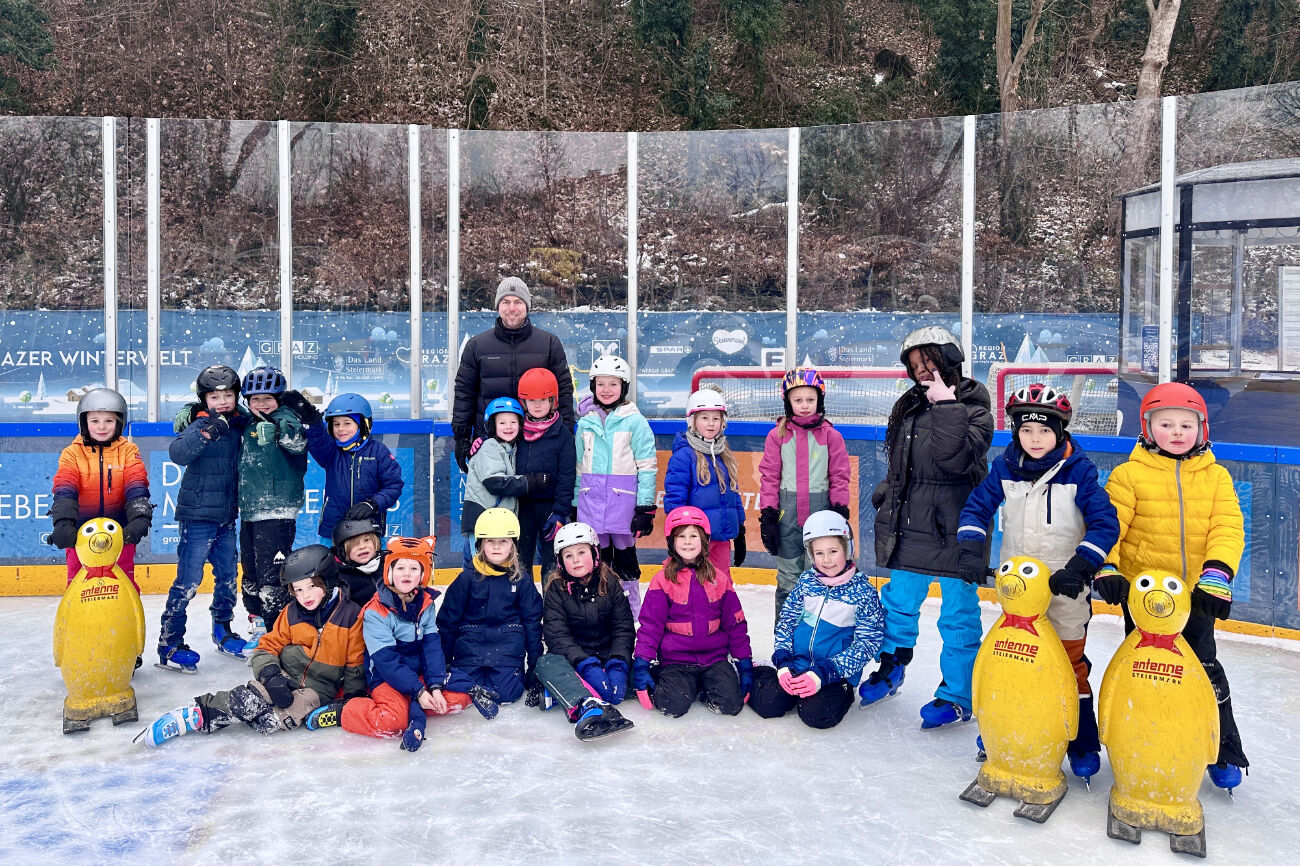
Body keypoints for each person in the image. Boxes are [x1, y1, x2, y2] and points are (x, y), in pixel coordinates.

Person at [956, 383, 1119, 779]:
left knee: (1069, 665)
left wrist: (1081, 567)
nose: (1035, 439)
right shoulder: (1004, 468)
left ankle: (1080, 740)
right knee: (1016, 660)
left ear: (1060, 432)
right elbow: (977, 508)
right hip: (1017, 590)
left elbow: (1104, 523)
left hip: (1066, 589)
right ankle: (1002, 729)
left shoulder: (1079, 472)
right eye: (1027, 430)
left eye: (1044, 431)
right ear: (1015, 432)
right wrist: (972, 549)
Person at [1093, 382, 1248, 791]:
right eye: (1166, 424)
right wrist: (1106, 567)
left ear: (1202, 430)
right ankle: (1140, 738)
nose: (1177, 432)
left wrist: (1216, 575)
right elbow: (1110, 527)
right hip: (1144, 599)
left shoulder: (1216, 478)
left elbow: (1228, 529)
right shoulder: (1128, 476)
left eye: (1186, 424)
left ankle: (1221, 747)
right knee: (1145, 671)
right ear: (1147, 428)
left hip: (1196, 596)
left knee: (1204, 669)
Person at [860, 326, 994, 729]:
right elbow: (909, 465)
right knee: (897, 604)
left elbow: (954, 461)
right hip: (910, 528)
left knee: (958, 616)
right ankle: (892, 668)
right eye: (915, 365)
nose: (922, 372)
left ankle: (957, 694)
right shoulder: (910, 407)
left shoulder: (974, 408)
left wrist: (947, 406)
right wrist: (889, 488)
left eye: (929, 362)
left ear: (949, 360)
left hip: (958, 530)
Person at [139, 545, 367, 745]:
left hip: (318, 689)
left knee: (277, 719)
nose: (304, 595)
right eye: (297, 589)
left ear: (326, 581)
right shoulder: (291, 613)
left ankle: (294, 716)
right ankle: (193, 716)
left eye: (310, 587)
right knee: (247, 699)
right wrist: (271, 676)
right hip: (285, 674)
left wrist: (352, 697)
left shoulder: (350, 615)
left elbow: (354, 661)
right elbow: (267, 647)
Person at [750, 511, 884, 729]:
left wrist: (827, 672)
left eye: (833, 551)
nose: (827, 560)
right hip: (797, 665)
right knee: (768, 705)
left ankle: (842, 693)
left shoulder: (863, 592)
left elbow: (867, 643)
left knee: (817, 715)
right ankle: (761, 672)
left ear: (847, 549)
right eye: (819, 553)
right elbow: (786, 623)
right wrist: (783, 661)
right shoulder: (806, 583)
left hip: (835, 673)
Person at [340, 537, 475, 751]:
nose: (407, 573)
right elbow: (386, 662)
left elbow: (431, 648)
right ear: (389, 572)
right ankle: (345, 710)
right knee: (393, 723)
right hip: (386, 678)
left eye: (414, 568)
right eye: (400, 567)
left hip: (417, 676)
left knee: (460, 698)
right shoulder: (376, 611)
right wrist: (420, 692)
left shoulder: (426, 604)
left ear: (423, 574)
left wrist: (435, 687)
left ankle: (412, 704)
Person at [158, 365, 252, 670]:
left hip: (226, 515)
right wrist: (207, 432)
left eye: (228, 395)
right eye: (215, 396)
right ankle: (170, 642)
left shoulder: (241, 423)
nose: (222, 401)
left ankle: (222, 630)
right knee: (188, 580)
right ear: (204, 400)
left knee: (227, 577)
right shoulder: (198, 423)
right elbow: (178, 453)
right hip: (197, 516)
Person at [631, 506, 754, 718]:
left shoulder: (719, 579)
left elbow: (735, 625)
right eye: (681, 536)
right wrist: (642, 663)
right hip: (676, 661)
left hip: (714, 659)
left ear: (704, 540)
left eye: (693, 535)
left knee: (731, 705)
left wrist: (744, 663)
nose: (687, 541)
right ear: (672, 542)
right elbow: (650, 626)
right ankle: (680, 684)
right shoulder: (662, 580)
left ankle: (704, 686)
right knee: (671, 706)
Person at [452, 276, 575, 473]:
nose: (512, 308)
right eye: (506, 302)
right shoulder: (477, 346)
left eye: (518, 302)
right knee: (492, 501)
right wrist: (462, 437)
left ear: (527, 306)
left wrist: (567, 434)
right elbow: (465, 393)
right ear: (498, 306)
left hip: (537, 442)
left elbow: (564, 392)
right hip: (490, 441)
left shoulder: (549, 344)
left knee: (533, 500)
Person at [758, 368, 851, 622]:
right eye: (798, 400)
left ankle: (817, 635)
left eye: (810, 399)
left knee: (822, 572)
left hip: (821, 516)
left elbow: (839, 475)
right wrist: (768, 514)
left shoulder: (831, 436)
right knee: (788, 575)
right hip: (787, 517)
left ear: (819, 400)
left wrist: (840, 508)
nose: (805, 405)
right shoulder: (777, 435)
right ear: (788, 402)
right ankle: (785, 639)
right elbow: (769, 477)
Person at [530, 521, 636, 741]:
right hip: (574, 661)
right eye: (568, 556)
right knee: (545, 663)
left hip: (608, 658)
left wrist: (618, 663)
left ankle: (561, 693)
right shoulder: (556, 590)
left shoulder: (612, 584)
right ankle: (586, 703)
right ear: (560, 561)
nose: (576, 559)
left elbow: (623, 628)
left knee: (644, 672)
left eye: (581, 552)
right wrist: (585, 664)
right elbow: (557, 636)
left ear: (595, 553)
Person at [436, 508, 544, 720]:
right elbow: (448, 622)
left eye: (503, 541)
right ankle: (467, 683)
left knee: (508, 694)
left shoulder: (520, 581)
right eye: (490, 541)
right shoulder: (466, 579)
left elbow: (532, 624)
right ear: (480, 545)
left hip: (506, 651)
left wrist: (534, 669)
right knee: (461, 692)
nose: (496, 546)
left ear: (512, 545)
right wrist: (444, 664)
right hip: (470, 650)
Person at [574, 354, 657, 617]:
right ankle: (595, 612)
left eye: (613, 384)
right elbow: (578, 467)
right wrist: (574, 503)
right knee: (594, 561)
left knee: (625, 563)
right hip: (591, 506)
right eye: (601, 384)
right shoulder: (585, 422)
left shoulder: (635, 422)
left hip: (622, 507)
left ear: (624, 387)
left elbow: (647, 466)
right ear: (592, 387)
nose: (606, 390)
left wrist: (644, 507)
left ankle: (630, 613)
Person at [50, 388, 151, 590]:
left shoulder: (129, 451)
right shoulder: (71, 453)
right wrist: (63, 523)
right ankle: (78, 622)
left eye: (109, 421)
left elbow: (136, 485)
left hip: (120, 533)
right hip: (80, 534)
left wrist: (139, 519)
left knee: (123, 586)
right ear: (84, 422)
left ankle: (124, 621)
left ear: (119, 422)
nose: (102, 427)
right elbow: (65, 489)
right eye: (95, 420)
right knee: (80, 587)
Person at [236, 366, 308, 639]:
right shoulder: (249, 422)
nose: (262, 404)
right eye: (255, 399)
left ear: (279, 399)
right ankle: (258, 625)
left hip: (276, 512)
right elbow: (223, 409)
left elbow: (297, 441)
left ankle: (278, 632)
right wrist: (195, 409)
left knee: (271, 580)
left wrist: (279, 430)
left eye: (268, 398)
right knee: (251, 576)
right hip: (250, 511)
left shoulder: (287, 418)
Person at [279, 391, 404, 543]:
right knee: (329, 566)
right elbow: (319, 441)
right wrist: (313, 421)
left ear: (363, 424)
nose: (341, 429)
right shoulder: (331, 452)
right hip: (333, 532)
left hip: (369, 530)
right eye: (336, 424)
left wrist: (373, 504)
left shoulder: (378, 452)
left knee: (370, 566)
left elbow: (393, 485)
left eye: (347, 423)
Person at [664, 386, 747, 580]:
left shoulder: (723, 454)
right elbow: (675, 499)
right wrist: (679, 535)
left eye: (716, 418)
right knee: (694, 584)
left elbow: (733, 494)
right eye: (704, 418)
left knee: (721, 583)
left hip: (721, 537)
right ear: (692, 421)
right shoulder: (683, 457)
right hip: (694, 540)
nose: (711, 424)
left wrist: (740, 530)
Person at [514, 367, 576, 577]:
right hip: (522, 507)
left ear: (553, 401)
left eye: (543, 399)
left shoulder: (562, 435)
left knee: (552, 566)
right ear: (523, 403)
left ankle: (552, 608)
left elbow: (567, 476)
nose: (537, 405)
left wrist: (560, 511)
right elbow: (496, 449)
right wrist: (481, 442)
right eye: (531, 400)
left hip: (550, 508)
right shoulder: (516, 431)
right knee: (520, 562)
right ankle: (525, 608)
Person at [460, 396, 534, 566]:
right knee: (479, 567)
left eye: (513, 422)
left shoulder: (512, 448)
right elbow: (495, 482)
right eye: (502, 423)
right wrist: (529, 482)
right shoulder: (489, 447)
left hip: (498, 521)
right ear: (492, 425)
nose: (508, 427)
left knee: (497, 568)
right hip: (483, 519)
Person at [332, 517, 385, 608]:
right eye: (354, 543)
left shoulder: (387, 564)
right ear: (342, 550)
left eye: (367, 540)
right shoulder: (338, 577)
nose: (362, 547)